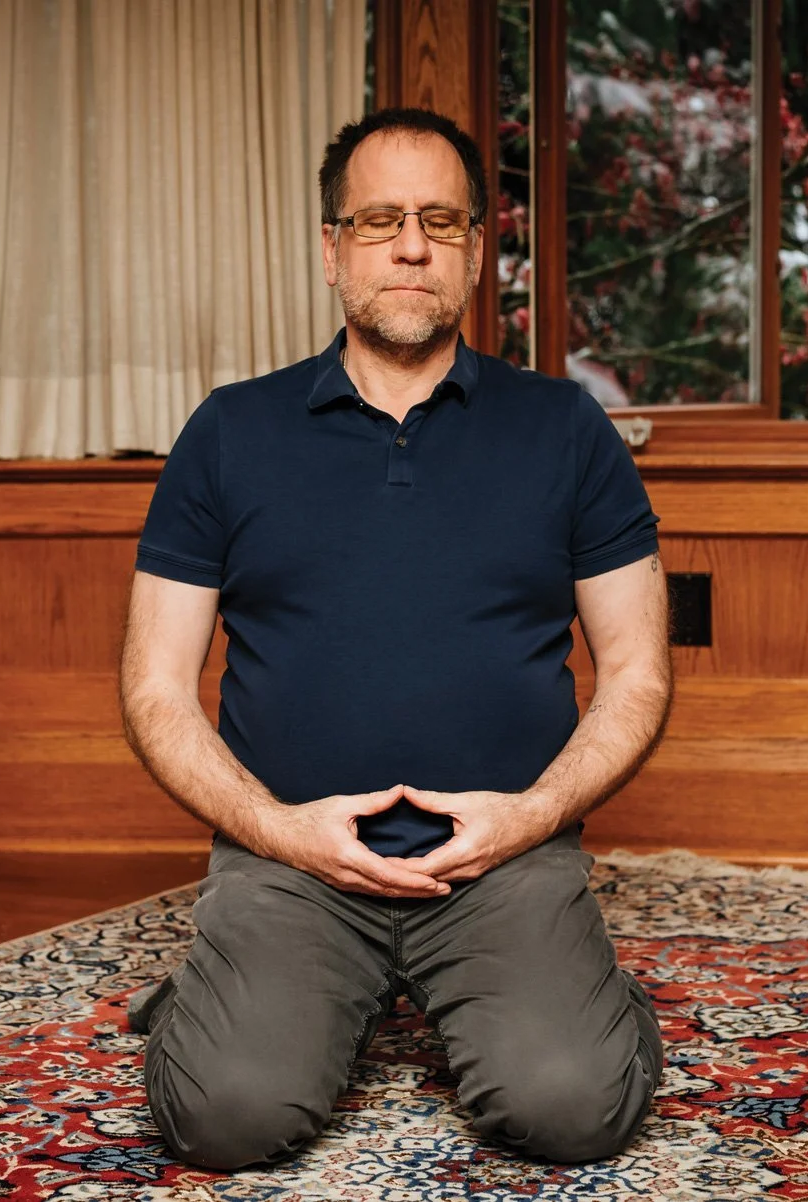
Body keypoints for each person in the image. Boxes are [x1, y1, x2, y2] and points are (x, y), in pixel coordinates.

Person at [118, 106, 672, 1172]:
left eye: (439, 219)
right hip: (292, 855)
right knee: (225, 1117)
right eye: (378, 220)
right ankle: (225, 982)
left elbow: (640, 671)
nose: (410, 244)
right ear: (333, 249)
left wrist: (534, 816)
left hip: (505, 852)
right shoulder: (230, 430)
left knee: (570, 1109)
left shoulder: (565, 427)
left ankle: (591, 993)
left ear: (474, 247)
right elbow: (152, 684)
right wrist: (272, 830)